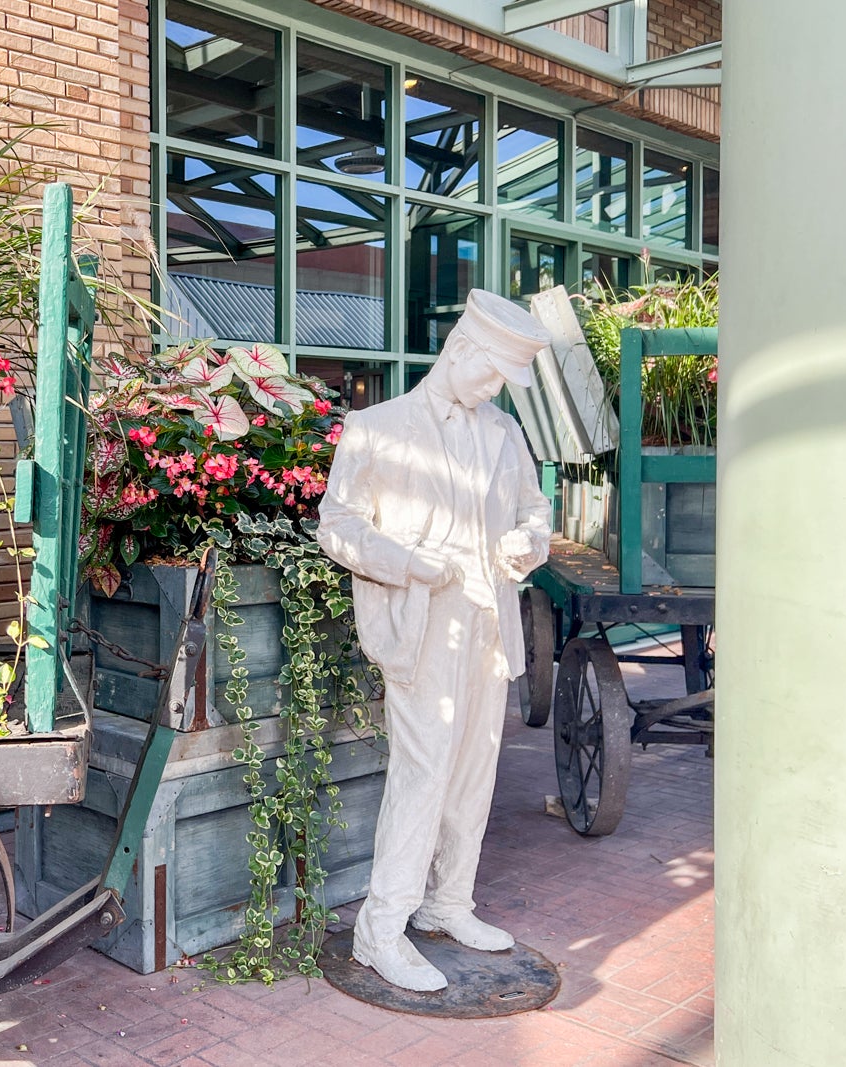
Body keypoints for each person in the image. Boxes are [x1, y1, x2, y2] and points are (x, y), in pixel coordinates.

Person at [317, 289, 553, 992]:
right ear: (461, 350)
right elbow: (337, 525)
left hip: (488, 624)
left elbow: (535, 509)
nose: (494, 390)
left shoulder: (504, 433)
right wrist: (405, 562)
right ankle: (381, 929)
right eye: (491, 374)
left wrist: (528, 542)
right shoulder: (377, 427)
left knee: (474, 771)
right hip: (423, 627)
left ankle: (449, 903)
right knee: (422, 775)